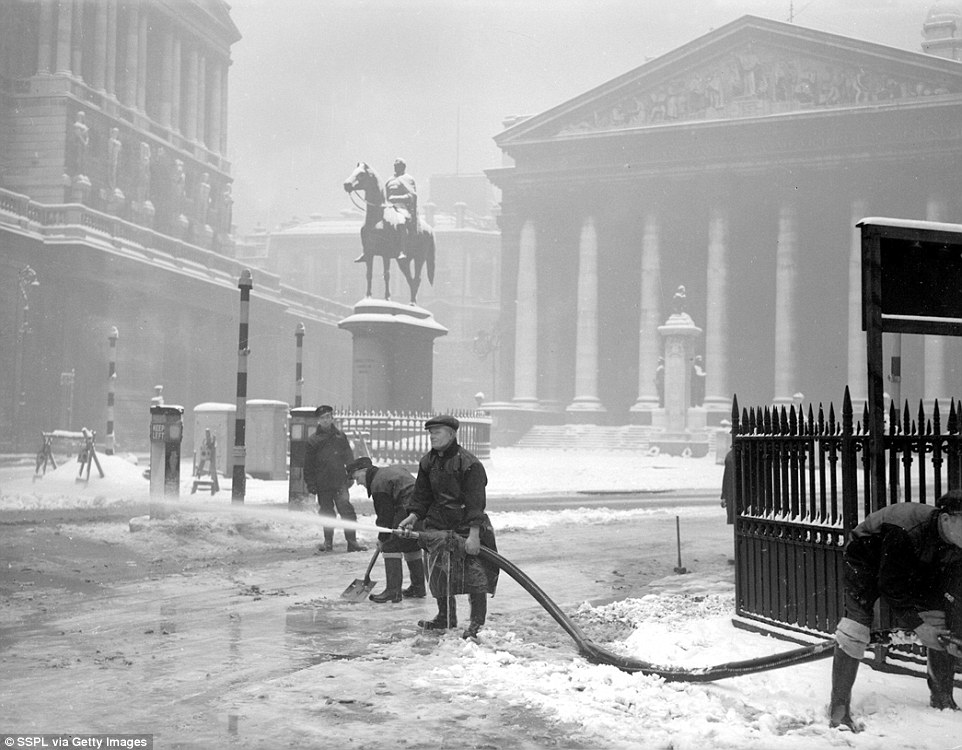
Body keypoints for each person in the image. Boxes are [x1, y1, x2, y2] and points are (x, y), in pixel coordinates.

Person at [829, 492, 962, 732]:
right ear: (945, 518)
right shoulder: (906, 530)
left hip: (916, 565)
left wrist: (951, 632)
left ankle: (943, 699)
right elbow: (890, 585)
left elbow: (952, 593)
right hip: (866, 560)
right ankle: (838, 710)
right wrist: (920, 628)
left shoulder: (955, 541)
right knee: (855, 628)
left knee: (939, 621)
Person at [399, 415, 499, 640]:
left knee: (475, 576)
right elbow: (422, 496)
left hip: (466, 528)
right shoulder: (428, 462)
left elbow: (476, 502)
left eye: (437, 431)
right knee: (438, 573)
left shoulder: (469, 464)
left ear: (452, 434)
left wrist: (474, 536)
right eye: (430, 432)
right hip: (438, 527)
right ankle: (446, 616)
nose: (432, 436)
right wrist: (414, 516)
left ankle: (476, 622)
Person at [346, 456, 426, 603]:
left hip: (407, 507)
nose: (358, 483)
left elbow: (385, 517)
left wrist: (383, 539)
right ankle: (418, 587)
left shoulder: (378, 483)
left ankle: (393, 591)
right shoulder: (385, 474)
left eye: (357, 478)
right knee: (410, 544)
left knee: (391, 545)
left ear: (363, 471)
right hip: (421, 508)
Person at [303, 405, 367, 553]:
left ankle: (352, 542)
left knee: (347, 511)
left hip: (340, 482)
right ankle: (328, 542)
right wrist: (311, 483)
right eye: (322, 418)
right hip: (322, 483)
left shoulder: (340, 437)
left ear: (332, 418)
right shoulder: (313, 441)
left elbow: (349, 458)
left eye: (327, 417)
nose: (325, 420)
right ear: (318, 421)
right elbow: (308, 465)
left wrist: (351, 475)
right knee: (326, 513)